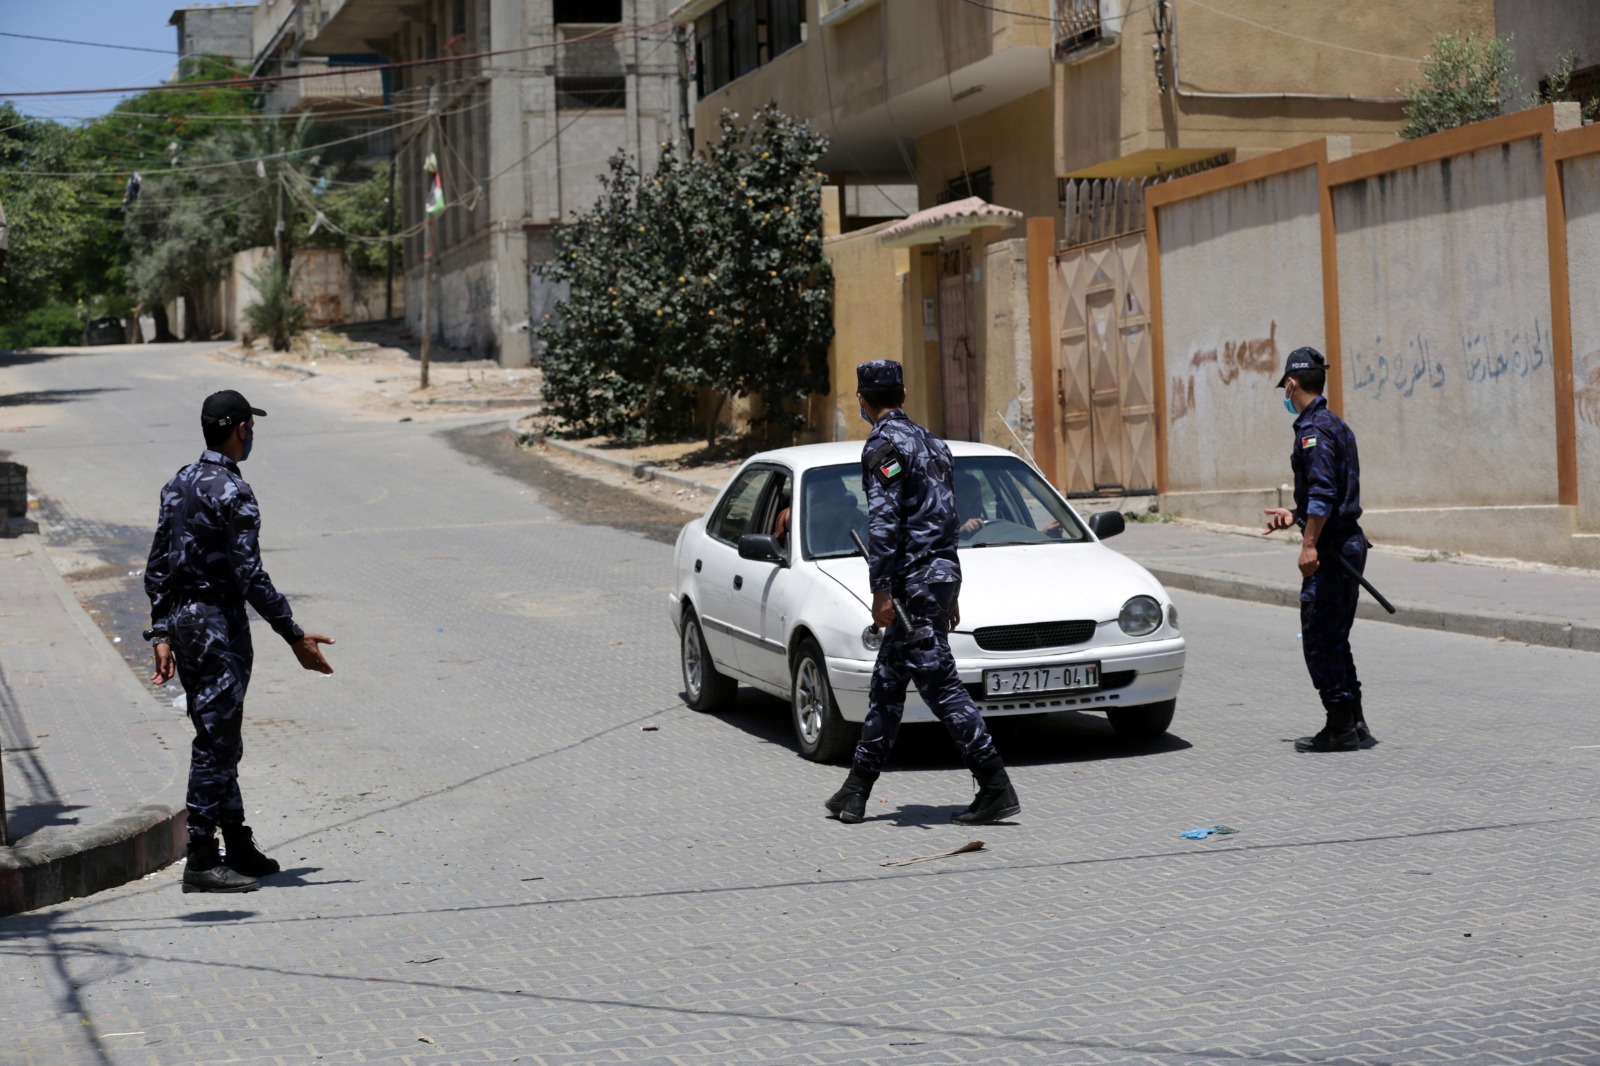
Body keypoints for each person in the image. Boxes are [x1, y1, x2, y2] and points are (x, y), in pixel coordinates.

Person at [145, 390, 335, 893]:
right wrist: (293, 634)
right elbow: (250, 575)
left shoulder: (178, 482)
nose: (253, 435)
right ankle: (202, 857)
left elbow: (158, 565)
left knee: (220, 731)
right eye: (251, 426)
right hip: (216, 625)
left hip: (186, 623)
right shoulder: (233, 492)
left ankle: (237, 842)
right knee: (215, 740)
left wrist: (161, 630)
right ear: (240, 429)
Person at [825, 360, 1021, 825]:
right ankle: (855, 791)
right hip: (936, 576)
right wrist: (949, 587)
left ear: (861, 400)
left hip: (911, 584)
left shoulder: (883, 445)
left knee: (940, 686)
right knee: (888, 687)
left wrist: (880, 590)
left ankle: (995, 785)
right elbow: (947, 518)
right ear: (905, 392)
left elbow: (884, 522)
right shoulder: (933, 442)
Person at [1261, 347, 1376, 753]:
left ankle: (1340, 725)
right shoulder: (1335, 424)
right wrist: (1294, 515)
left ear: (1292, 382)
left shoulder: (1313, 431)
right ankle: (1355, 722)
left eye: (1286, 388)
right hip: (1346, 541)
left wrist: (1309, 544)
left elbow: (1325, 494)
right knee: (1336, 637)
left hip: (1333, 550)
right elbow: (1327, 494)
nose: (1286, 395)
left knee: (1320, 639)